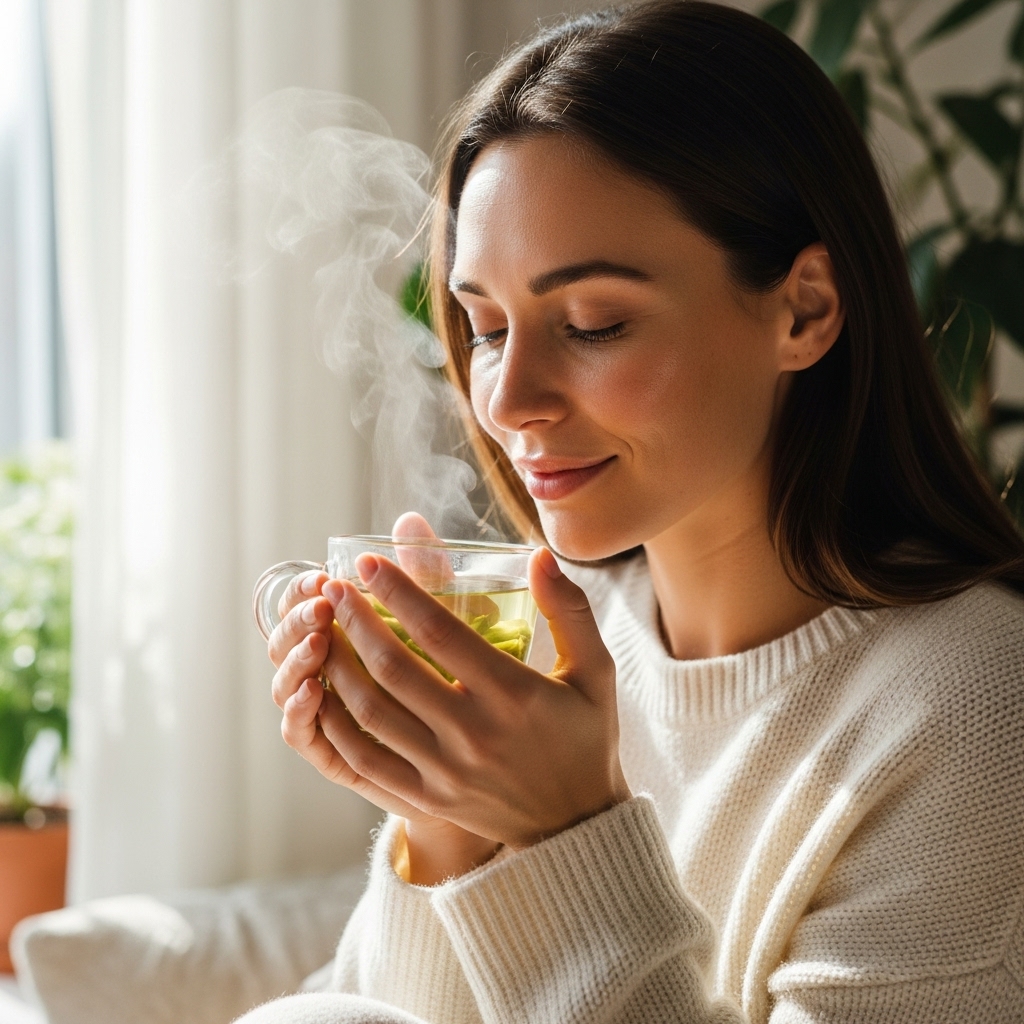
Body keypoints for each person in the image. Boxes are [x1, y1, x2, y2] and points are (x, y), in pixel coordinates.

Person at [245, 3, 1024, 1022]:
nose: (509, 399)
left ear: (804, 309)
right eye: (483, 327)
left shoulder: (973, 710)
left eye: (592, 323)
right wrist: (447, 815)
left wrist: (568, 831)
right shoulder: (564, 643)